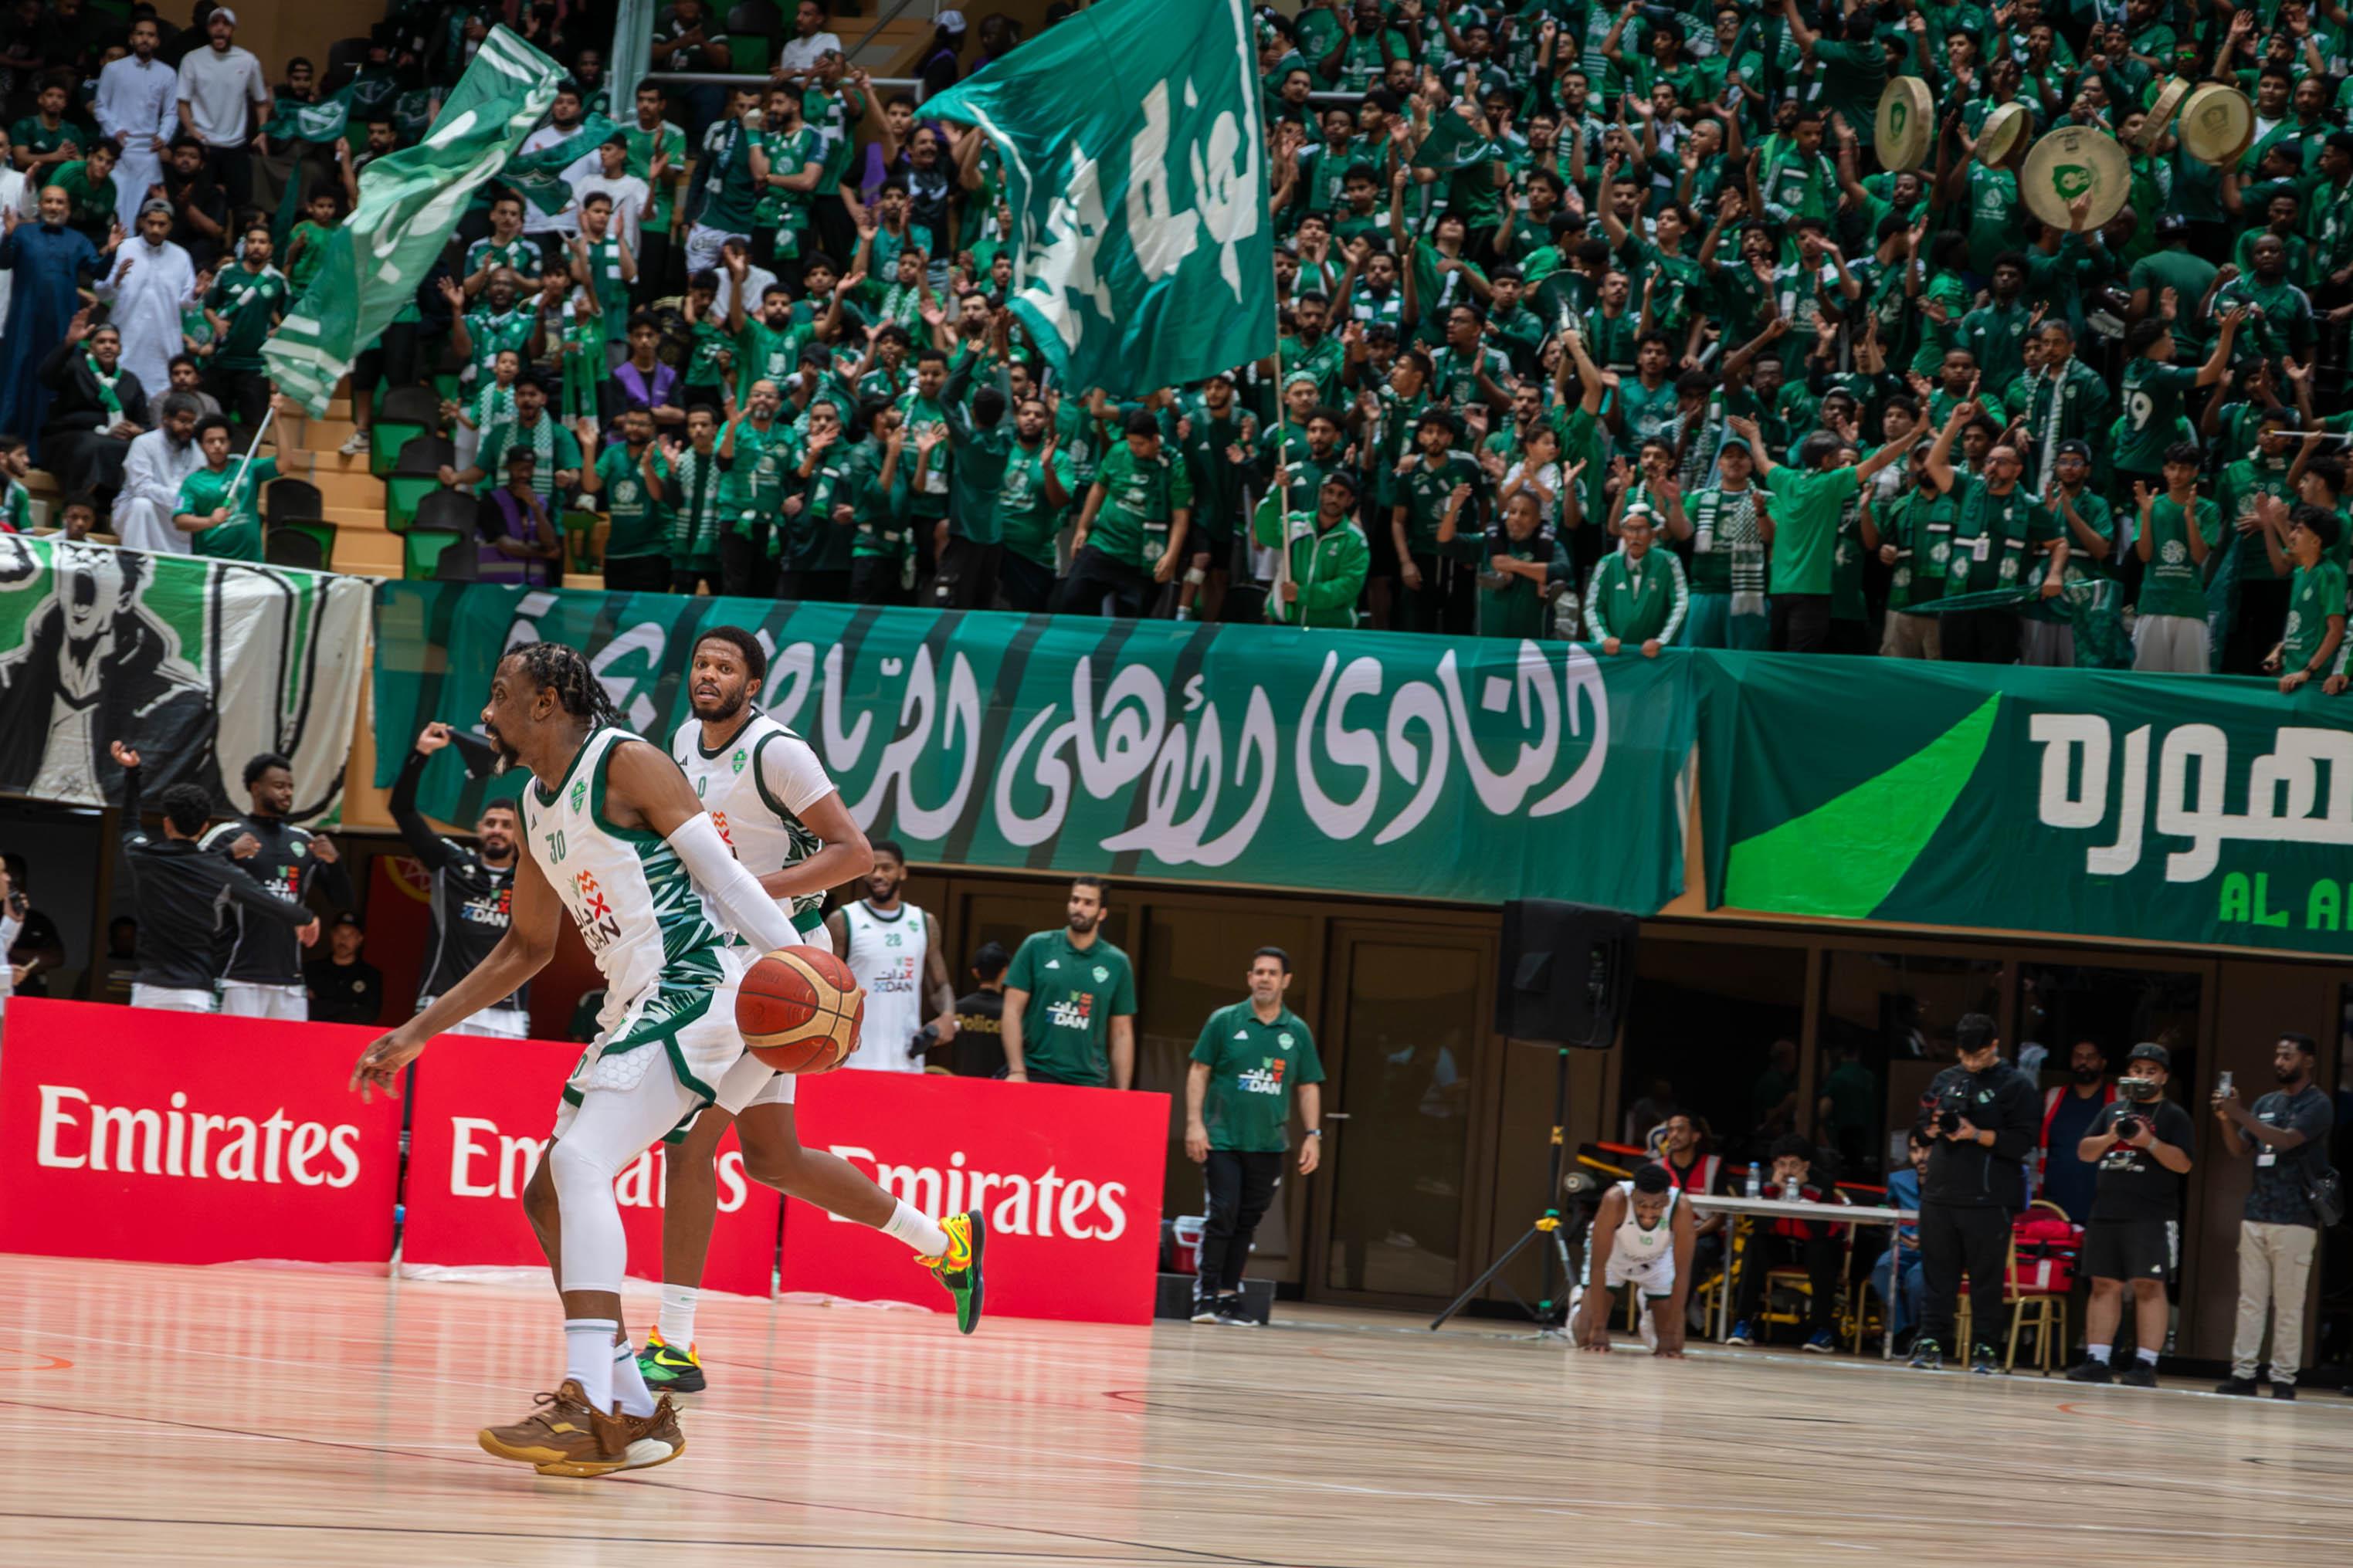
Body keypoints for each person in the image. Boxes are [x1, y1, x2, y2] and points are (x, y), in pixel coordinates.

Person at [349, 640, 982, 1476]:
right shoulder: (535, 804)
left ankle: (591, 1401)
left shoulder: (630, 760)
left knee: (584, 1164)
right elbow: (526, 948)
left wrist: (810, 976)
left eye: (499, 693)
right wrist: (419, 1030)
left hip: (702, 985)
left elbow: (724, 880)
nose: (486, 710)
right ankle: (638, 1412)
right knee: (548, 1192)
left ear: (545, 703)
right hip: (633, 1002)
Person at [641, 628, 985, 1396]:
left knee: (692, 1144)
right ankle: (946, 1243)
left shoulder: (777, 751)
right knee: (773, 1159)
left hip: (782, 967)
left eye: (725, 667)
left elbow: (855, 855)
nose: (708, 675)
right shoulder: (680, 747)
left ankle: (675, 1343)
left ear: (752, 685)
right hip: (729, 961)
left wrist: (750, 892)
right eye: (700, 663)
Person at [110, 740, 314, 1013]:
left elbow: (129, 825)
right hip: (195, 992)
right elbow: (265, 901)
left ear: (167, 823)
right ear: (205, 826)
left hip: (149, 990)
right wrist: (305, 917)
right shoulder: (217, 868)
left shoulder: (143, 856)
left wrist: (133, 774)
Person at [1184, 947, 1324, 1326]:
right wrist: (1195, 1124)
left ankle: (1230, 1297)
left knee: (1247, 1221)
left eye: (1272, 973)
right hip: (1224, 1139)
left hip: (1268, 1144)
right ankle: (1206, 1297)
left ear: (1286, 982)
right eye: (1258, 972)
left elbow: (1308, 1086)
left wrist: (1313, 1135)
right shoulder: (1225, 1021)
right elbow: (1199, 1070)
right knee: (1223, 1214)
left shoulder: (1296, 1031)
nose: (1264, 978)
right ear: (1249, 978)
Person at [1909, 1013, 2039, 1374]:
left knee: (1986, 1278)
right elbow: (1919, 1132)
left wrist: (1976, 1134)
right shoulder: (1945, 1080)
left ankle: (1985, 1347)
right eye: (1964, 1056)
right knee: (1937, 1275)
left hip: (1989, 1197)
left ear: (1994, 1045)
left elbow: (2023, 1141)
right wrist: (1934, 1129)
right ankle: (1931, 1341)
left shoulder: (2016, 1086)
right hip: (1939, 1193)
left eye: (1978, 1056)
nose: (1970, 1063)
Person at [2212, 1033, 2336, 1398]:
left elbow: (2284, 1140)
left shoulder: (2318, 1104)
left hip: (2296, 1217)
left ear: (2308, 1061)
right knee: (2249, 1301)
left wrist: (2240, 1114)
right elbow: (2238, 1148)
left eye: (2287, 1056)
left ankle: (2283, 1379)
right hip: (2256, 1213)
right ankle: (2244, 1373)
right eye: (2277, 1056)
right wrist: (2225, 1117)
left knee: (2289, 1305)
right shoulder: (2266, 1101)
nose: (2279, 1062)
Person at [2066, 1044, 2195, 1389]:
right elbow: (2084, 1152)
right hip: (2106, 1213)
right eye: (2137, 1069)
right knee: (2103, 1284)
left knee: (2149, 1286)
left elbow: (2184, 1164)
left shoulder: (2173, 1116)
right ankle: (2097, 1358)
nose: (2142, 1076)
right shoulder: (2111, 1110)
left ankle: (2145, 1364)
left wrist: (2149, 1143)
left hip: (2151, 1215)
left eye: (2151, 1070)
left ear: (2164, 1076)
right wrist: (2113, 1135)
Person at [392, 721, 531, 1039]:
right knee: (433, 1088)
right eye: (491, 823)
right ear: (479, 829)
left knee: (498, 1091)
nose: (497, 829)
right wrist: (421, 754)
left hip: (506, 1013)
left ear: (520, 833)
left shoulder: (534, 876)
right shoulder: (449, 861)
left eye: (507, 825)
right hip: (443, 1003)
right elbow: (402, 810)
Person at [196, 749, 349, 1018]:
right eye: (279, 786)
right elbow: (190, 878)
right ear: (256, 788)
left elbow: (342, 900)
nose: (287, 793)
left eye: (291, 787)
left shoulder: (303, 840)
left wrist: (335, 863)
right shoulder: (227, 835)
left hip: (289, 979)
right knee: (233, 1056)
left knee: (287, 1059)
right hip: (238, 975)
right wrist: (229, 853)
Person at [826, 838, 956, 1075]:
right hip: (853, 1057)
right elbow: (826, 988)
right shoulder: (844, 920)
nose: (878, 875)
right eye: (873, 868)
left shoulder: (923, 922)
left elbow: (940, 985)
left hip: (905, 1059)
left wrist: (948, 1016)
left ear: (902, 872)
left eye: (886, 868)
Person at [0, 188, 110, 460]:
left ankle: (45, 451)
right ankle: (6, 446)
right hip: (24, 323)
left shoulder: (78, 240)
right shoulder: (24, 233)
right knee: (17, 376)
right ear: (40, 206)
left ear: (68, 209)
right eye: (48, 201)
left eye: (60, 202)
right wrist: (9, 235)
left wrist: (112, 251)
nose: (54, 206)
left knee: (57, 381)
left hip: (62, 326)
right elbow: (3, 261)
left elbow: (98, 270)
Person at [1001, 875, 1138, 1088]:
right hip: (1037, 1072)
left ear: (1102, 913)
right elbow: (1011, 1010)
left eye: (1088, 903)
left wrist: (1122, 1093)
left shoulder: (1117, 963)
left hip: (1090, 1081)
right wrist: (1017, 1070)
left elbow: (1122, 1033)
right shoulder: (1037, 946)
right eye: (1075, 900)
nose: (1078, 908)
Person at [1724, 1132, 1850, 1353]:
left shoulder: (1822, 1182)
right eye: (1782, 1164)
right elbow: (1760, 1224)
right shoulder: (1764, 1179)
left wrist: (1800, 1191)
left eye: (1794, 1165)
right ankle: (1744, 1323)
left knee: (1822, 1251)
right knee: (1755, 1244)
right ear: (1774, 1164)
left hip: (1811, 1245)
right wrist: (1776, 1191)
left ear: (1807, 1165)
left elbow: (1819, 1229)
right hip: (1780, 1245)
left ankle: (1822, 1330)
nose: (1787, 1171)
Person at [1572, 1162, 1697, 1356]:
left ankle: (1649, 1306)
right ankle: (1578, 1305)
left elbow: (1682, 1273)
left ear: (1666, 1200)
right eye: (1641, 1205)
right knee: (1586, 1338)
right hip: (1614, 1256)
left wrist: (1670, 1333)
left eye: (1655, 1207)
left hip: (1657, 1259)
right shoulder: (1615, 1199)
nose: (1647, 1214)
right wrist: (1598, 1328)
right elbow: (1598, 1267)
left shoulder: (1681, 1206)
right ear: (1633, 1196)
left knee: (1673, 1347)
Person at [93, 198, 196, 398]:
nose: (156, 229)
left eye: (162, 224)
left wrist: (198, 293)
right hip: (127, 338)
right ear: (141, 222)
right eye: (151, 223)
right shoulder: (123, 249)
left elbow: (187, 304)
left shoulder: (181, 256)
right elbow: (100, 292)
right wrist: (116, 279)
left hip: (164, 342)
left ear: (170, 226)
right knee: (122, 398)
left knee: (161, 403)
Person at [38, 312, 147, 498]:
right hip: (72, 435)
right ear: (91, 347)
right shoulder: (76, 367)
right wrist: (69, 343)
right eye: (102, 341)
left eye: (113, 342)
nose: (108, 346)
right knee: (95, 446)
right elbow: (45, 376)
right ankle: (79, 503)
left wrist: (138, 430)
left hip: (117, 438)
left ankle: (111, 507)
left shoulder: (131, 381)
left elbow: (145, 423)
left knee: (135, 450)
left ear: (120, 349)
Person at [172, 6, 266, 210]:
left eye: (226, 24)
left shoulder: (248, 60)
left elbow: (261, 101)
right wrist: (193, 132)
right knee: (199, 201)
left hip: (236, 144)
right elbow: (183, 102)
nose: (220, 28)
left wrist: (263, 131)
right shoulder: (192, 59)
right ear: (208, 28)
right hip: (202, 142)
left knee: (241, 202)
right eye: (215, 23)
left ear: (233, 30)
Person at [93, 19, 178, 233]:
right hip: (118, 149)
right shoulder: (113, 69)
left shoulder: (167, 74)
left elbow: (170, 112)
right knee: (116, 205)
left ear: (157, 41)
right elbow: (101, 106)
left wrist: (164, 136)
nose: (144, 39)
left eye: (150, 35)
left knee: (144, 209)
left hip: (148, 150)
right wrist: (115, 130)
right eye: (140, 34)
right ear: (132, 39)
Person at [111, 388, 203, 554]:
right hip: (139, 510)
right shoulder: (143, 443)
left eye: (192, 422)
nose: (188, 427)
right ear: (166, 419)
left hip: (176, 513)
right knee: (142, 505)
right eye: (183, 421)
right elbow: (141, 488)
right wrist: (178, 499)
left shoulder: (197, 452)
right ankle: (136, 564)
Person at [2036, 1039, 2116, 1223]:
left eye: (2090, 1057)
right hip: (2056, 1201)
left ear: (2103, 1062)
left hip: (2102, 1201)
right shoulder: (2053, 1097)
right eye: (2078, 1056)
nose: (2083, 1062)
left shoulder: (2118, 1099)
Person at [1869, 1129, 1932, 1347]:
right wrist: (1899, 1237)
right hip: (1904, 1247)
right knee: (1882, 1270)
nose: (1921, 1156)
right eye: (1915, 1150)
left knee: (1916, 1280)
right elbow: (1887, 1217)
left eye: (1927, 1150)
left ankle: (1917, 1332)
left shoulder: (1950, 1184)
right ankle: (1902, 1331)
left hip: (1936, 1251)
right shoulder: (1898, 1180)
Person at [304, 913, 382, 1026]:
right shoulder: (311, 970)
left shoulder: (371, 975)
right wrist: (349, 1006)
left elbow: (369, 1014)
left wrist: (323, 1003)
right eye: (339, 933)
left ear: (360, 939)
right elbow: (304, 1008)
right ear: (332, 935)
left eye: (350, 935)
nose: (343, 940)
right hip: (314, 1033)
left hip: (350, 1038)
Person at [948, 941, 1009, 1079]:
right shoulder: (1010, 1014)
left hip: (962, 1086)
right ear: (1005, 972)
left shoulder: (957, 1009)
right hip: (1000, 1087)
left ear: (975, 972)